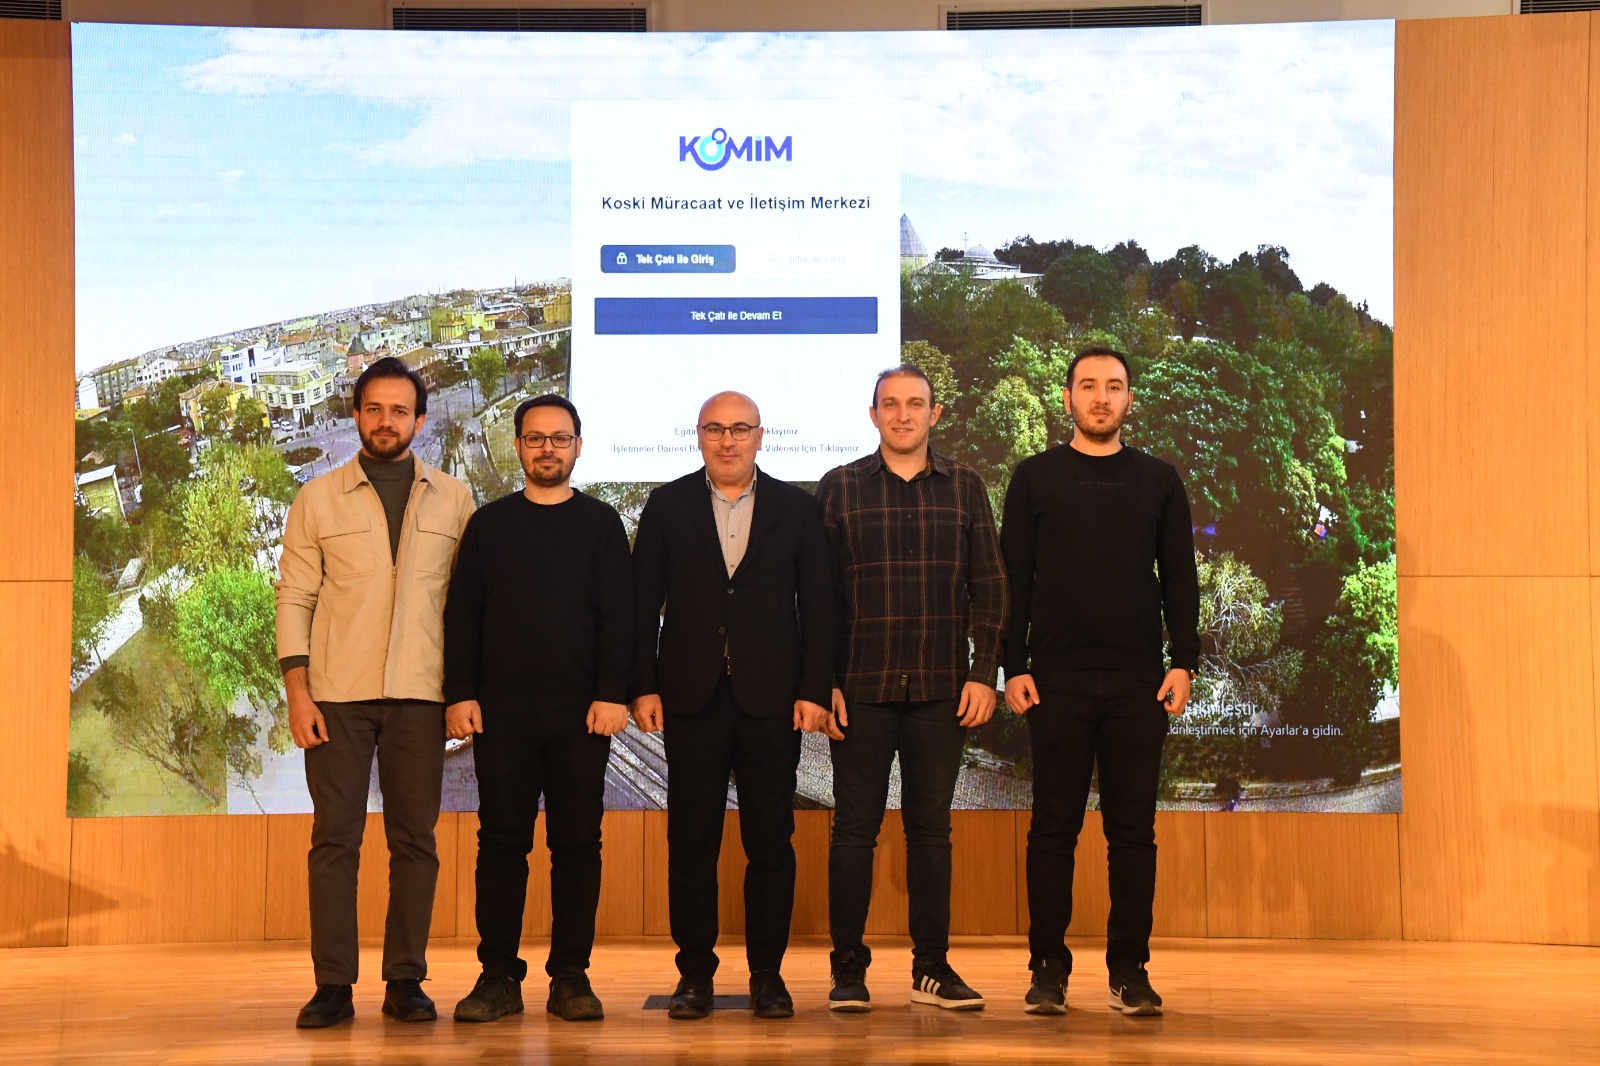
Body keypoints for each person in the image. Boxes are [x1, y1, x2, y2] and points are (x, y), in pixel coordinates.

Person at [275, 356, 475, 1028]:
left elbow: (467, 605)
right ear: (356, 415)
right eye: (374, 409)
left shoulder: (455, 499)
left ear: (420, 420)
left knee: (415, 842)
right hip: (336, 696)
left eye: (399, 410)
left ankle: (405, 980)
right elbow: (295, 598)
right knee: (335, 841)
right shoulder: (316, 499)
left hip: (422, 695)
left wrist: (462, 692)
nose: (386, 421)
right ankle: (332, 985)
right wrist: (299, 694)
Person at [1000, 345, 1199, 1018]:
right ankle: (1047, 970)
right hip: (1053, 680)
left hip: (1138, 683)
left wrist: (1184, 660)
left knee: (1132, 834)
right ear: (1068, 398)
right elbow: (1013, 578)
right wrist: (1013, 664)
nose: (1101, 397)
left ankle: (1129, 971)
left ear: (1129, 400)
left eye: (1114, 386)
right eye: (1088, 386)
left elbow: (1179, 577)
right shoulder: (1034, 477)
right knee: (1052, 830)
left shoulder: (1159, 480)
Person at [630, 391, 835, 1021]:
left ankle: (768, 977)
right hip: (690, 700)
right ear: (698, 436)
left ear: (760, 436)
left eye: (740, 429)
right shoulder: (666, 505)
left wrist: (813, 689)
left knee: (770, 844)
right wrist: (642, 686)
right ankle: (694, 976)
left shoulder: (798, 509)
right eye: (715, 429)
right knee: (691, 844)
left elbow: (820, 607)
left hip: (772, 702)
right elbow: (640, 605)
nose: (727, 440)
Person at [815, 365, 1007, 1012]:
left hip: (940, 689)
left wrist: (984, 674)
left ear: (935, 413)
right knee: (853, 832)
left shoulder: (966, 486)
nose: (903, 415)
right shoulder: (838, 488)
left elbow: (991, 587)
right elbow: (817, 598)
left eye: (915, 404)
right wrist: (822, 682)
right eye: (891, 404)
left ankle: (932, 969)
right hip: (858, 690)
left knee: (931, 833)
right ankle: (848, 971)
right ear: (873, 415)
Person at [443, 394, 633, 1023]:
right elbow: (463, 616)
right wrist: (460, 693)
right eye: (535, 438)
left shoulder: (602, 524)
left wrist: (613, 693)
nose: (547, 448)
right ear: (518, 446)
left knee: (577, 847)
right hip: (503, 715)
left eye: (559, 438)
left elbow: (620, 618)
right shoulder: (489, 526)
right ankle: (497, 977)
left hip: (583, 716)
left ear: (578, 447)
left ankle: (571, 978)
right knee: (501, 845)